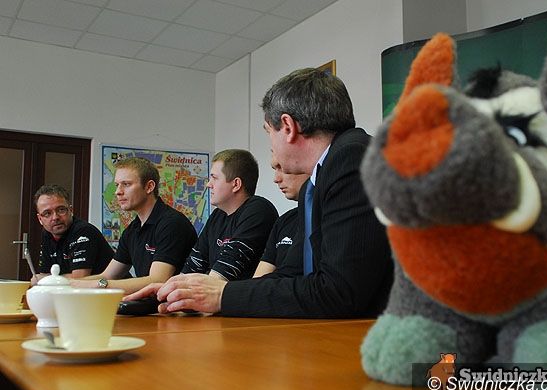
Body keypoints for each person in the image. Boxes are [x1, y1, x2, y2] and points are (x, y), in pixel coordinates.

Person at [127, 68, 394, 318]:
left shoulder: (351, 159)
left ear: (288, 127)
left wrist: (222, 295)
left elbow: (339, 292)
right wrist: (192, 292)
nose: (271, 147)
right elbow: (293, 273)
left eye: (268, 132)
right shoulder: (322, 177)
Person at [70, 157, 197, 295]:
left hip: (180, 305)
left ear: (149, 187)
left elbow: (157, 280)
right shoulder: (132, 230)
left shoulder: (172, 223)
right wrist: (66, 284)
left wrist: (97, 285)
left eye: (126, 184)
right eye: (117, 185)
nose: (118, 191)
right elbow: (108, 276)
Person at [181, 149, 278, 280]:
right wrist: (170, 288)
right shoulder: (218, 215)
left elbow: (223, 273)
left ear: (236, 184)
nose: (208, 184)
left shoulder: (259, 210)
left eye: (214, 178)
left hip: (238, 292)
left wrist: (181, 288)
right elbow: (194, 265)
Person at [32, 184, 114, 284]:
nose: (55, 217)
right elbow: (44, 274)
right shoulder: (47, 233)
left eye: (61, 210)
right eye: (47, 213)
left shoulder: (84, 231)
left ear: (71, 210)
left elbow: (79, 279)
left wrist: (47, 279)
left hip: (112, 290)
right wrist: (45, 279)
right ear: (40, 219)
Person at [253, 156, 309, 277]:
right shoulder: (284, 220)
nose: (276, 179)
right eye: (275, 169)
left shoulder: (326, 219)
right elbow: (258, 280)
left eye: (283, 168)